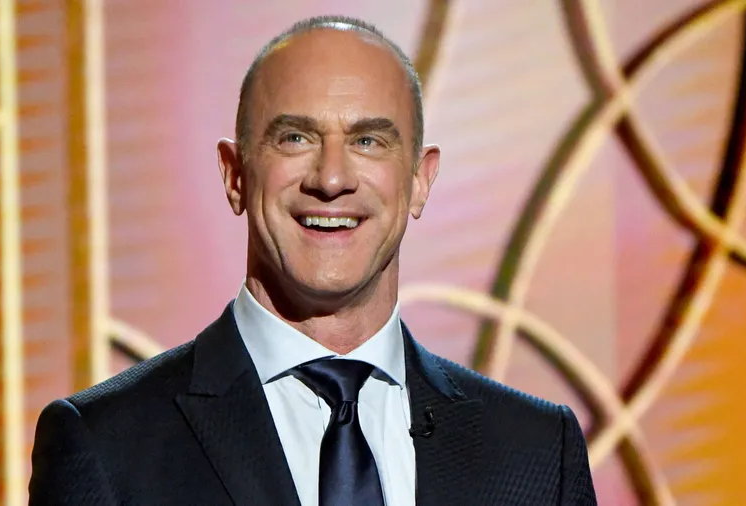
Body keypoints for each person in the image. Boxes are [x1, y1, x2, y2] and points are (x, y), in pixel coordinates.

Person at [29, 15, 597, 506]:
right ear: (235, 175)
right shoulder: (106, 446)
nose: (331, 179)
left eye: (369, 141)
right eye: (295, 138)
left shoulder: (538, 453)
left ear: (420, 181)